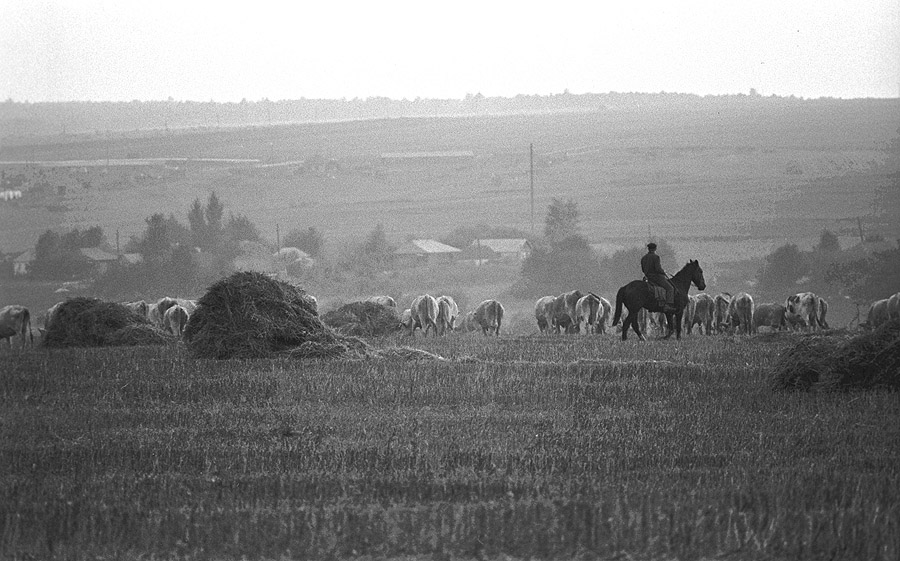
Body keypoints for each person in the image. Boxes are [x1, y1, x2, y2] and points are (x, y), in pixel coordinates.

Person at [641, 242, 675, 311]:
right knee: (670, 288)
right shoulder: (656, 257)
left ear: (649, 249)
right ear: (655, 249)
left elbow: (643, 269)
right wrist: (663, 272)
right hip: (656, 278)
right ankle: (667, 305)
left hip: (648, 277)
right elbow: (658, 269)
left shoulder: (644, 258)